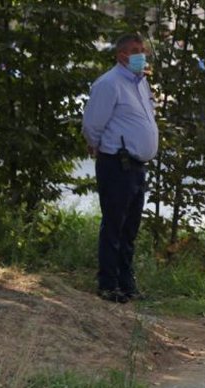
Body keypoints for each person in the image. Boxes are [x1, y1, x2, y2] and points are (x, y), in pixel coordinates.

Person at [82, 33, 158, 303]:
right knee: (114, 226)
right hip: (117, 163)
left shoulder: (141, 83)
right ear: (121, 55)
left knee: (130, 229)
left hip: (137, 166)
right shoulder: (109, 83)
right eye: (136, 50)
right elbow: (93, 124)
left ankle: (126, 283)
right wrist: (96, 146)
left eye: (143, 49)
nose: (142, 55)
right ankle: (108, 283)